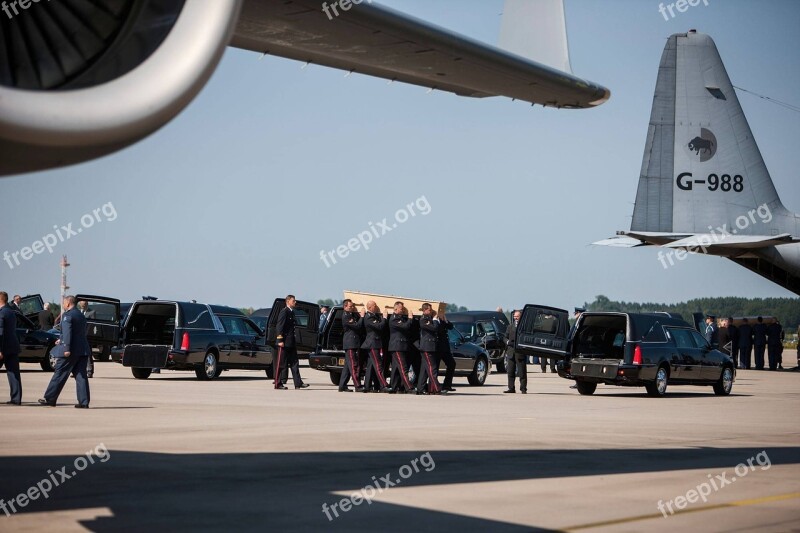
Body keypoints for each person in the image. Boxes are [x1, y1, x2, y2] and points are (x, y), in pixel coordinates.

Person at [39, 295, 91, 408]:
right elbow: (77, 333)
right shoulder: (80, 315)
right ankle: (84, 402)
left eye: (63, 303)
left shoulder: (68, 316)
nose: (63, 305)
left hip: (71, 350)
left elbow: (68, 333)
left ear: (68, 303)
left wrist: (66, 348)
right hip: (82, 349)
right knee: (81, 376)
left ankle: (50, 398)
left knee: (60, 373)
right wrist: (61, 340)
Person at [274, 295, 308, 390]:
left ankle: (298, 383)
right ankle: (278, 383)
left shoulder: (292, 312)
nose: (295, 302)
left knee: (295, 363)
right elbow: (279, 327)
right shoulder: (284, 312)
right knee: (281, 364)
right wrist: (280, 340)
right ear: (288, 301)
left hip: (291, 342)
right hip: (284, 342)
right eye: (293, 300)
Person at [0, 292, 22, 405]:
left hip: (3, 347)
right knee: (14, 374)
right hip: (13, 346)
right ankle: (16, 398)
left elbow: (0, 333)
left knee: (13, 373)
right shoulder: (11, 312)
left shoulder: (2, 313)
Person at [362, 301, 389, 393]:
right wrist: (384, 318)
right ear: (369, 307)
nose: (376, 307)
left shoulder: (374, 316)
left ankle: (367, 386)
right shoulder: (369, 317)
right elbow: (379, 326)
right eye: (374, 305)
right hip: (373, 344)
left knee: (370, 366)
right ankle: (383, 385)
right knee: (378, 365)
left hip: (375, 343)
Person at [388, 302, 415, 393]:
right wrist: (410, 318)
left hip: (401, 346)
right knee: (404, 368)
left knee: (396, 369)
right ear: (395, 309)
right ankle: (409, 387)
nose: (402, 310)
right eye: (401, 309)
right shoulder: (394, 319)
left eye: (403, 309)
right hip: (397, 347)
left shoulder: (401, 318)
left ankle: (396, 387)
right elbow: (406, 326)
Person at [415, 304, 442, 395]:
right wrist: (435, 319)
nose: (431, 312)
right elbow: (434, 328)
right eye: (430, 310)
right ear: (425, 310)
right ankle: (437, 388)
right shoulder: (423, 320)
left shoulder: (429, 319)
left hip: (430, 347)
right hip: (427, 347)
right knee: (432, 368)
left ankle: (421, 388)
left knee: (425, 369)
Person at [339, 299, 364, 392]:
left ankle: (342, 385)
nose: (352, 308)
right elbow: (357, 326)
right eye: (350, 306)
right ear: (345, 307)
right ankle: (357, 385)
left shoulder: (352, 315)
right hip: (350, 343)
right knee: (354, 365)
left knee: (347, 367)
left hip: (353, 343)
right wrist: (362, 317)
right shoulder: (346, 316)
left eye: (352, 306)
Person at [504, 310, 526, 394]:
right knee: (510, 371)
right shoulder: (509, 327)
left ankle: (523, 389)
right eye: (514, 316)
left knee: (522, 372)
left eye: (517, 316)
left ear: (521, 317)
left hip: (520, 352)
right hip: (510, 352)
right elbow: (505, 337)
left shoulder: (523, 327)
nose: (516, 318)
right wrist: (507, 342)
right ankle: (511, 388)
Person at [434, 311, 456, 392]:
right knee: (435, 367)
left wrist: (445, 319)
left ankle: (447, 385)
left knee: (452, 364)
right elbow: (438, 330)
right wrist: (437, 319)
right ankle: (434, 385)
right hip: (437, 348)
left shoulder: (443, 321)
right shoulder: (435, 321)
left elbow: (451, 326)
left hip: (445, 349)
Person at [77, 300, 96, 378]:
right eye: (81, 304)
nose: (83, 306)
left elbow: (93, 325)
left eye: (84, 304)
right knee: (78, 354)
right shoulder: (78, 312)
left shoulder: (92, 312)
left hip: (87, 337)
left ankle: (89, 371)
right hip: (78, 337)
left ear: (87, 304)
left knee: (88, 354)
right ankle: (78, 371)